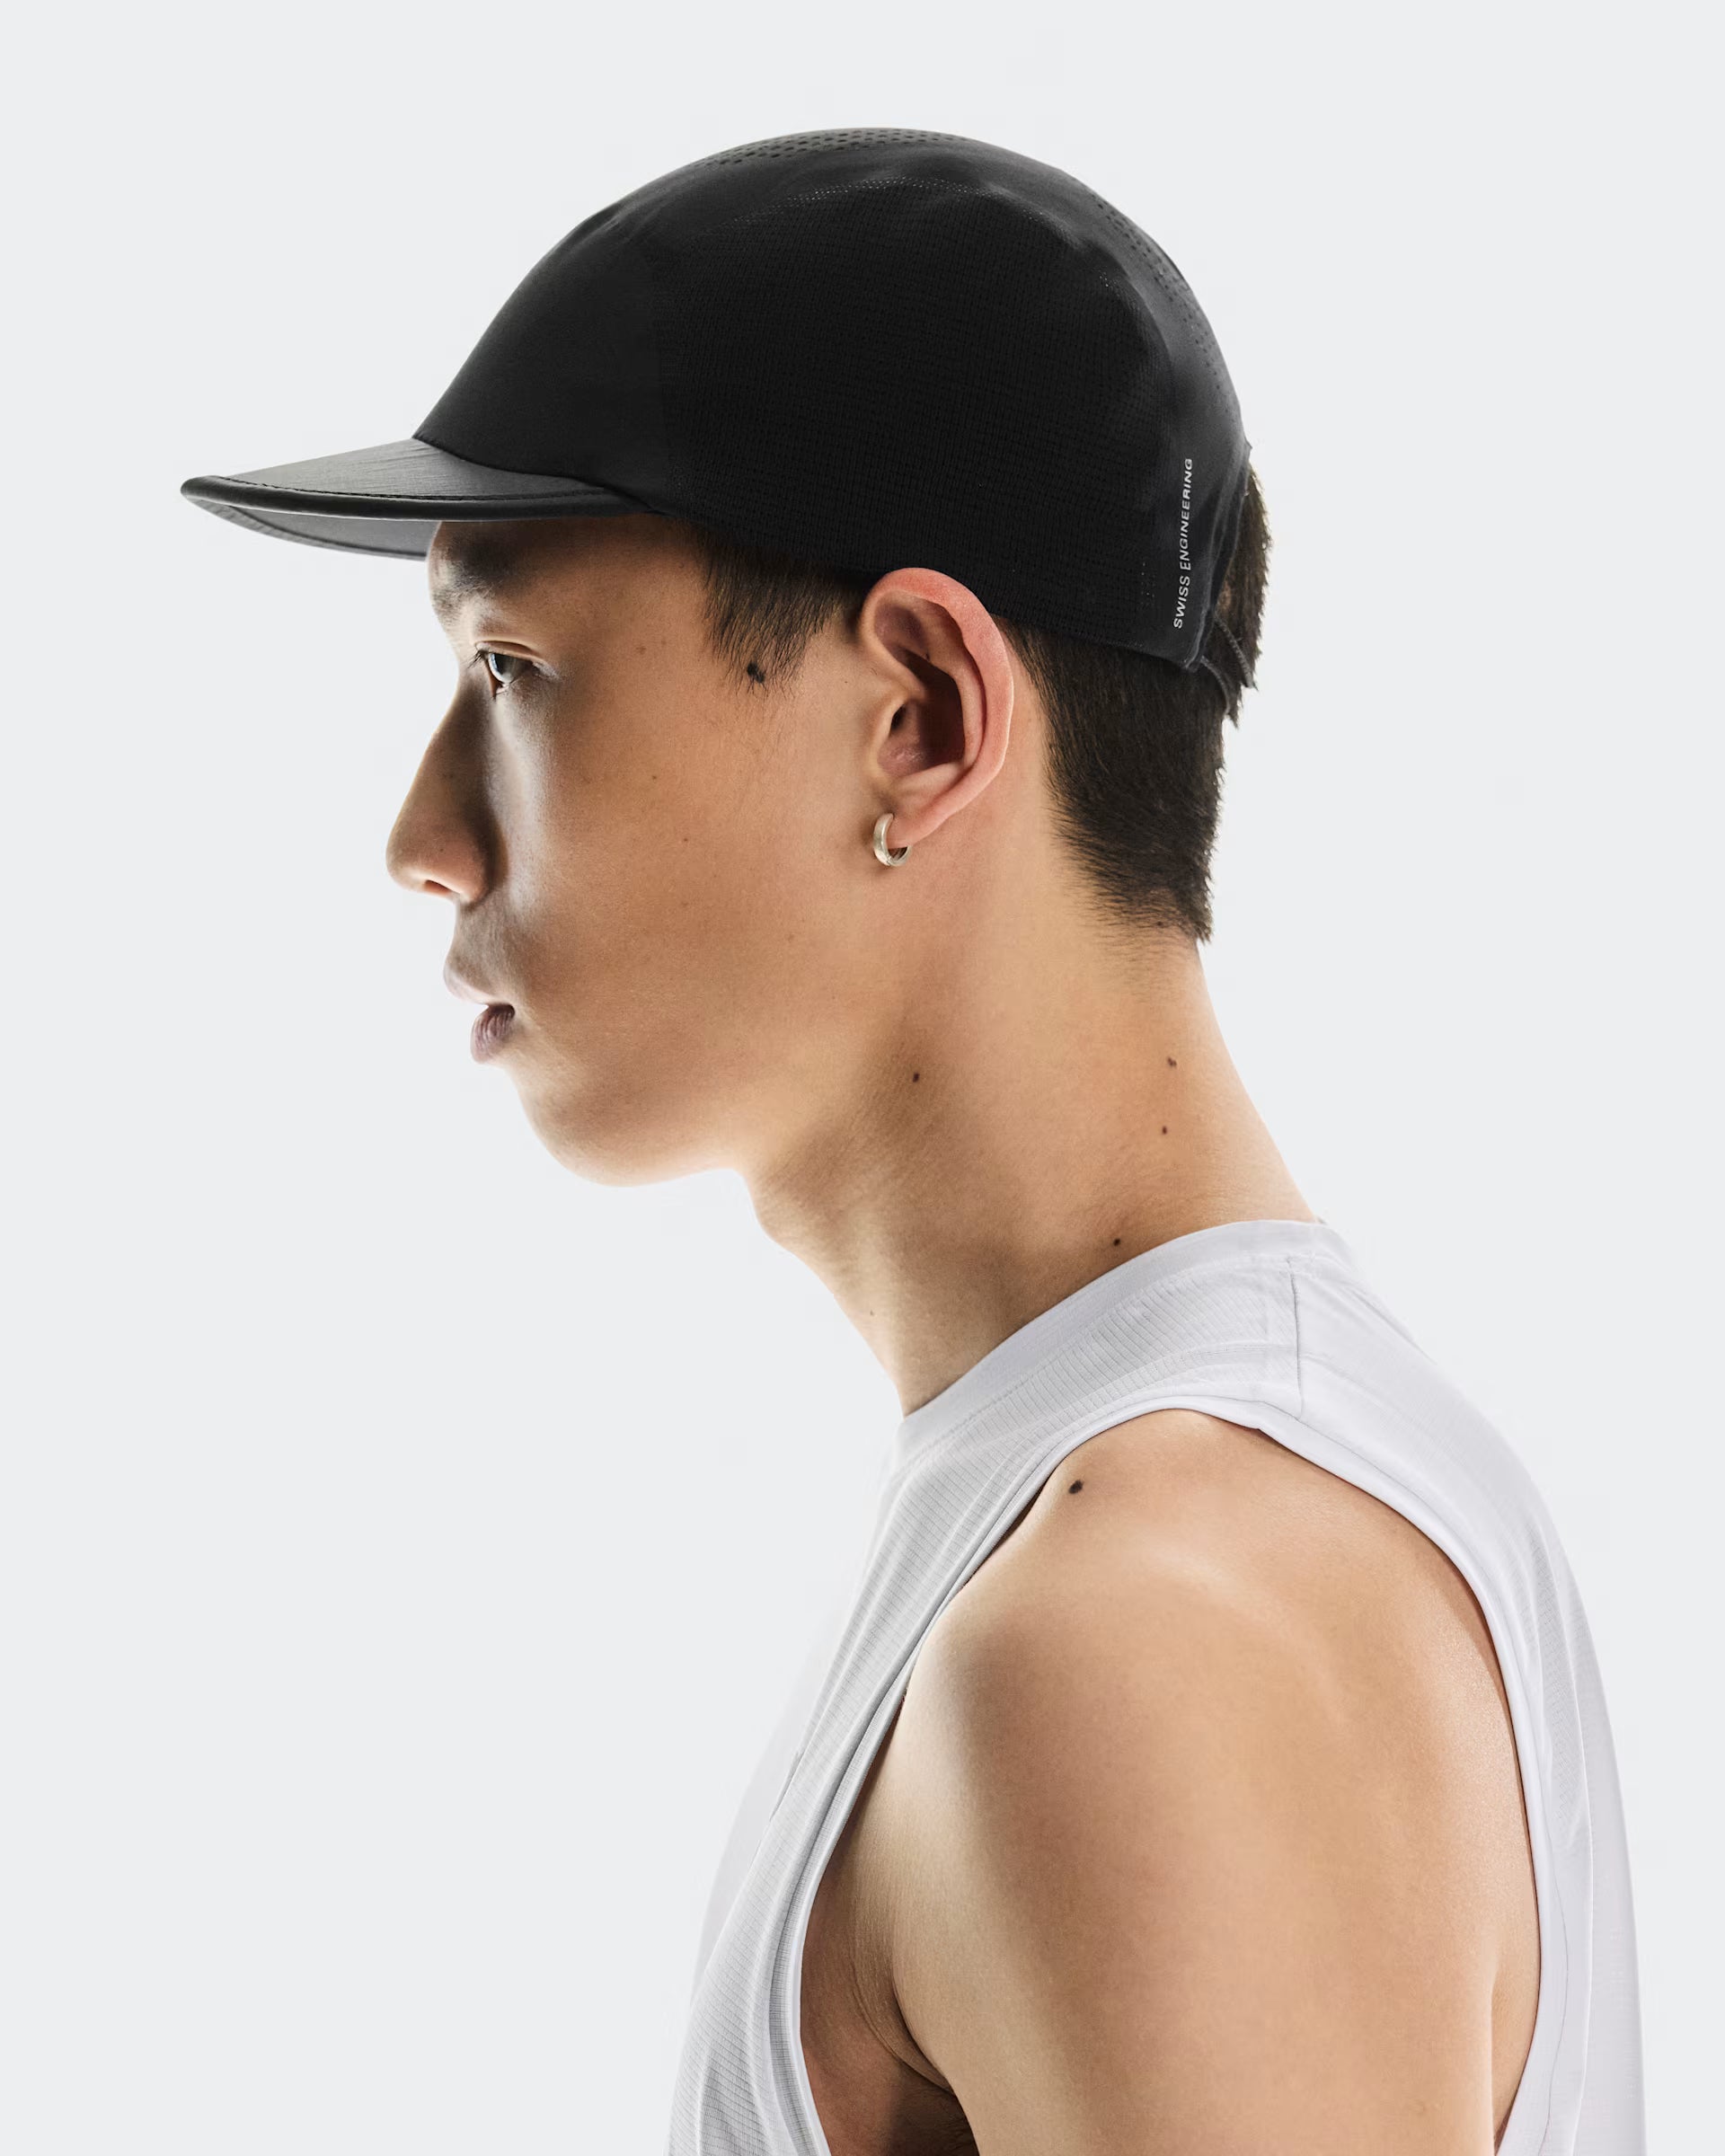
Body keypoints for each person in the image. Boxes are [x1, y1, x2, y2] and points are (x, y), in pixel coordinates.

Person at [181, 128, 1644, 2156]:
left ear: (925, 720)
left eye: (511, 671)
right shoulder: (1139, 1523)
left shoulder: (1149, 1628)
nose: (423, 839)